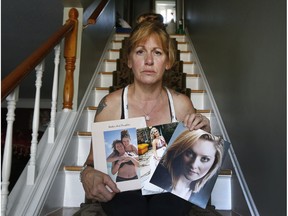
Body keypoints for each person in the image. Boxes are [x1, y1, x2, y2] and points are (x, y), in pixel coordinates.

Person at [79, 12, 211, 216]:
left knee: (168, 205)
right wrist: (87, 174)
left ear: (168, 61)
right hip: (124, 191)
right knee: (130, 204)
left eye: (157, 53)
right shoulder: (110, 104)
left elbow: (196, 160)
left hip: (168, 192)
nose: (149, 60)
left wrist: (205, 132)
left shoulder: (182, 104)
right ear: (130, 60)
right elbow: (92, 162)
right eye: (140, 52)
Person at [150, 129, 224, 206]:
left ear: (214, 164)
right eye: (189, 153)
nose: (194, 165)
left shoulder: (202, 200)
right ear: (179, 152)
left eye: (205, 159)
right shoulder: (158, 181)